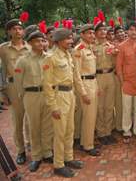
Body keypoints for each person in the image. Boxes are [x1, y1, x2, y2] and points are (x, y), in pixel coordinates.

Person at [43, 28, 83, 177]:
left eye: (71, 38)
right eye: (68, 39)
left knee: (69, 130)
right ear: (59, 41)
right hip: (59, 96)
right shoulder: (51, 57)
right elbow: (47, 85)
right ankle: (58, 164)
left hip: (70, 95)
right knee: (60, 133)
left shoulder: (67, 55)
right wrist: (53, 106)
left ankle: (69, 157)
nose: (71, 41)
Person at [14, 31, 53, 172]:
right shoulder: (23, 60)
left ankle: (47, 152)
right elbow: (18, 82)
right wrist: (24, 96)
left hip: (48, 94)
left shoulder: (49, 57)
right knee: (34, 126)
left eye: (43, 41)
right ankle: (36, 156)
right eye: (37, 41)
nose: (41, 44)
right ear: (30, 43)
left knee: (48, 126)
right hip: (31, 95)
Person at [0, 18, 31, 165]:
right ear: (9, 32)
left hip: (30, 87)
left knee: (31, 119)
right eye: (14, 29)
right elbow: (0, 72)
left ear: (23, 31)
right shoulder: (3, 49)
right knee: (17, 121)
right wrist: (2, 92)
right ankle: (21, 151)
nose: (18, 31)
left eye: (20, 28)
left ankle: (32, 144)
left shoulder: (30, 47)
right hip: (13, 88)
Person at [72, 24, 100, 156]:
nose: (92, 35)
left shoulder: (89, 48)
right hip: (85, 84)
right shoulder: (79, 49)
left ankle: (84, 141)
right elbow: (76, 74)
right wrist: (83, 93)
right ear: (82, 34)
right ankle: (88, 145)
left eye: (93, 33)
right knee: (89, 116)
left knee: (90, 115)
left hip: (92, 82)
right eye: (89, 33)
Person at [116, 22, 136, 143]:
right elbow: (118, 66)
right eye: (131, 29)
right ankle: (126, 130)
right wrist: (122, 82)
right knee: (126, 108)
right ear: (127, 31)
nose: (133, 32)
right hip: (127, 82)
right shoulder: (121, 46)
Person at [94, 21, 117, 145]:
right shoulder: (92, 47)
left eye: (104, 30)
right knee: (100, 107)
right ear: (96, 32)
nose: (103, 32)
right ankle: (101, 133)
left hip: (110, 76)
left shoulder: (111, 46)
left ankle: (108, 132)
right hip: (98, 76)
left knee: (109, 106)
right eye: (100, 30)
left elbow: (115, 63)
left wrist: (114, 55)